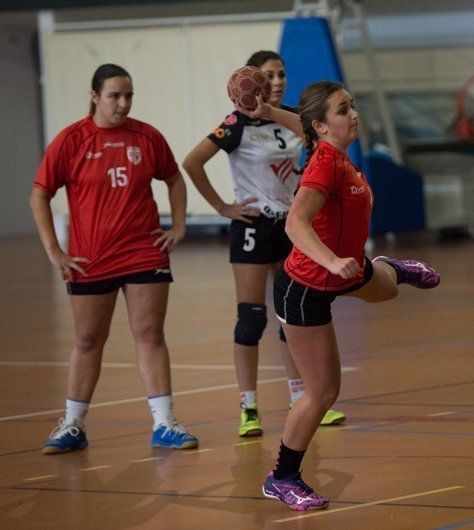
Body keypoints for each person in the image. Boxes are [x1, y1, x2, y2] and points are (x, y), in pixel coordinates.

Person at [260, 81, 440, 511]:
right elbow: (295, 224)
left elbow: (301, 124)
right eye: (344, 109)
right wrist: (330, 260)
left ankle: (391, 267)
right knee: (323, 392)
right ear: (322, 126)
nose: (354, 114)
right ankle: (282, 477)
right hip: (306, 288)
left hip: (347, 267)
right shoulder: (323, 164)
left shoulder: (335, 153)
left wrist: (268, 111)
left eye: (353, 105)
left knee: (386, 293)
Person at [29, 63, 199, 454]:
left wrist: (178, 226)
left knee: (150, 336)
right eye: (114, 96)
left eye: (128, 96)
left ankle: (165, 423)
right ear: (95, 96)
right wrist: (55, 251)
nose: (122, 104)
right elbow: (39, 193)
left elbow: (174, 177)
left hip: (143, 252)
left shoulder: (147, 136)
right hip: (91, 258)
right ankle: (72, 425)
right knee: (88, 340)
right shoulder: (71, 140)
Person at [183, 51, 346, 438]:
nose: (277, 81)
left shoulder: (290, 118)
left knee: (293, 316)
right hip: (254, 226)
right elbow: (192, 163)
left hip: (292, 226)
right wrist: (223, 207)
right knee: (252, 318)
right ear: (252, 80)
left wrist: (274, 112)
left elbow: (317, 136)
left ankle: (301, 399)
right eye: (269, 75)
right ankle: (249, 407)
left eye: (282, 74)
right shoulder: (235, 124)